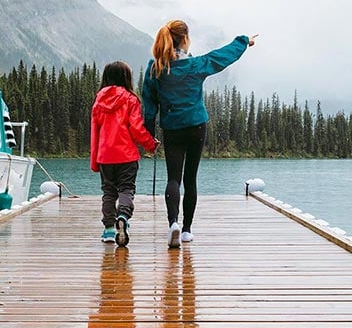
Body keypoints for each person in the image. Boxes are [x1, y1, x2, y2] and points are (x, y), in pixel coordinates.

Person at [143, 21, 256, 249]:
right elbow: (221, 57)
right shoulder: (196, 65)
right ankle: (186, 231)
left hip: (172, 127)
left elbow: (149, 102)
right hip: (196, 126)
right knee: (190, 179)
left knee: (173, 178)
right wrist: (244, 42)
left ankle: (172, 223)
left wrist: (148, 133)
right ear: (185, 40)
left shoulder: (155, 68)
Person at [90, 61, 158, 247]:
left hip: (105, 156)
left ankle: (109, 230)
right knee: (126, 189)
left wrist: (95, 160)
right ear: (126, 78)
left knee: (109, 193)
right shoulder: (130, 99)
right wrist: (151, 144)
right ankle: (123, 216)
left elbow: (95, 132)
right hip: (127, 156)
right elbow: (136, 128)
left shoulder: (98, 101)